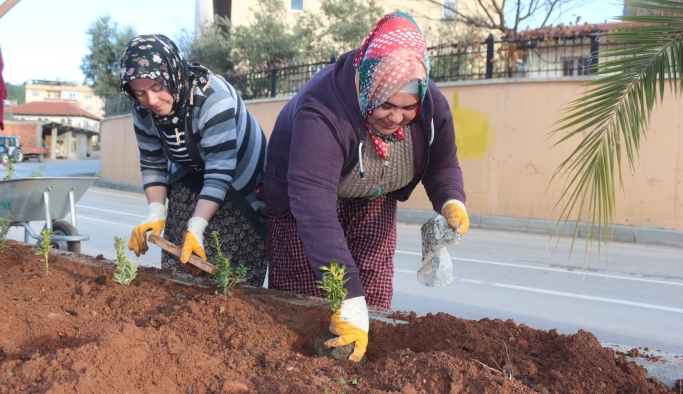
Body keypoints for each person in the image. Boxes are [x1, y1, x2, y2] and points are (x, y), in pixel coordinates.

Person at [260, 12, 469, 362]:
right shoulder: (322, 109)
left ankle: (361, 367)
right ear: (367, 83)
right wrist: (348, 299)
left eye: (408, 108)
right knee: (305, 294)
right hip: (304, 207)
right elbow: (313, 207)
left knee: (371, 285)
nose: (396, 117)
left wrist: (452, 200)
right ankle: (298, 368)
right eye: (385, 104)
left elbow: (443, 163)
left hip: (374, 194)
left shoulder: (431, 103)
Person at [119, 34, 268, 286]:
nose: (151, 101)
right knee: (181, 267)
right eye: (140, 93)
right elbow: (153, 162)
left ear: (174, 74)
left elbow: (220, 172)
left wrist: (197, 227)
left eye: (157, 88)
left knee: (232, 276)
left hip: (240, 183)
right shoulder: (142, 110)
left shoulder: (212, 99)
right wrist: (155, 212)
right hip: (189, 174)